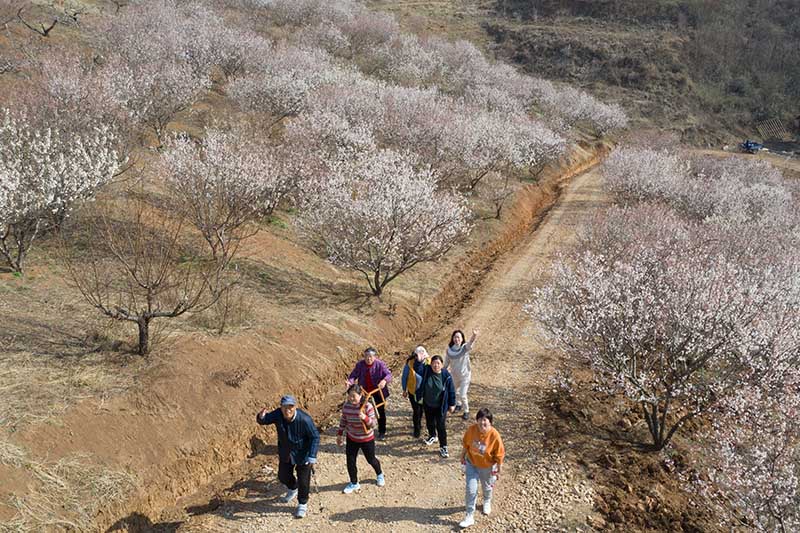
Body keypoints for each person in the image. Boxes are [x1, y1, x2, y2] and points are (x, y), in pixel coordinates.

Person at [256, 395, 320, 519]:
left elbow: (315, 437)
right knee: (283, 476)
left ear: (295, 407)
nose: (287, 410)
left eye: (290, 407)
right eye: (285, 407)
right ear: (281, 408)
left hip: (303, 454)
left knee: (304, 481)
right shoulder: (278, 414)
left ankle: (302, 504)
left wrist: (312, 456)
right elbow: (265, 420)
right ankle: (292, 487)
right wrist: (261, 416)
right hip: (286, 452)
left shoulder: (304, 419)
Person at [458, 407, 505, 529]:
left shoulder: (495, 435)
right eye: (480, 419)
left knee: (487, 487)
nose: (482, 423)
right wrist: (462, 457)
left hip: (487, 467)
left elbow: (499, 455)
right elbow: (466, 445)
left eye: (485, 420)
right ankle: (469, 516)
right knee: (470, 489)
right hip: (471, 464)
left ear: (490, 422)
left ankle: (487, 500)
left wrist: (498, 471)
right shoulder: (471, 430)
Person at [337, 384, 385, 493]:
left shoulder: (367, 406)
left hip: (366, 438)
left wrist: (365, 418)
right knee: (350, 461)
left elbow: (373, 424)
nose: (351, 398)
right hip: (352, 437)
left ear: (360, 395)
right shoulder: (346, 406)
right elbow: (343, 420)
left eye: (354, 396)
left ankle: (379, 474)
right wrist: (340, 434)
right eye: (349, 396)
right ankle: (354, 483)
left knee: (371, 459)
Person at [346, 347, 392, 440]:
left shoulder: (380, 364)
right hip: (364, 392)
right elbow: (353, 375)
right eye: (366, 356)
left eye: (371, 357)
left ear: (374, 357)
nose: (368, 359)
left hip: (377, 391)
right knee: (363, 410)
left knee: (380, 411)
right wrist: (350, 382)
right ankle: (364, 428)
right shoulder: (360, 365)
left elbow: (388, 375)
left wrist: (384, 381)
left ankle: (382, 431)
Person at [416, 355, 456, 458]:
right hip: (428, 403)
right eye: (434, 363)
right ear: (431, 364)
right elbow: (417, 369)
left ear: (442, 365)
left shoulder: (446, 376)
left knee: (441, 426)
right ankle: (432, 436)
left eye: (438, 363)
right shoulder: (426, 371)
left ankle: (443, 446)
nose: (436, 365)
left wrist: (452, 404)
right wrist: (420, 360)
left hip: (440, 406)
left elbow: (451, 390)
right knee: (429, 422)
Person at [445, 329, 479, 420]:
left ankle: (466, 411)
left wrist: (474, 336)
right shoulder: (449, 350)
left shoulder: (464, 348)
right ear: (452, 339)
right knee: (454, 392)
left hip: (465, 376)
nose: (457, 339)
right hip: (454, 376)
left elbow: (470, 343)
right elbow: (446, 363)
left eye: (458, 337)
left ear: (462, 339)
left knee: (462, 394)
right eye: (455, 337)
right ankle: (458, 404)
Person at [401, 345, 430, 438]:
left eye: (421, 355)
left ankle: (427, 428)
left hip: (425, 392)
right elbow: (404, 377)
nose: (419, 357)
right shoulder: (410, 364)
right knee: (416, 411)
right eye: (417, 355)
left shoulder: (429, 363)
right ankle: (417, 429)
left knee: (424, 410)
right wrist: (404, 389)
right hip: (413, 391)